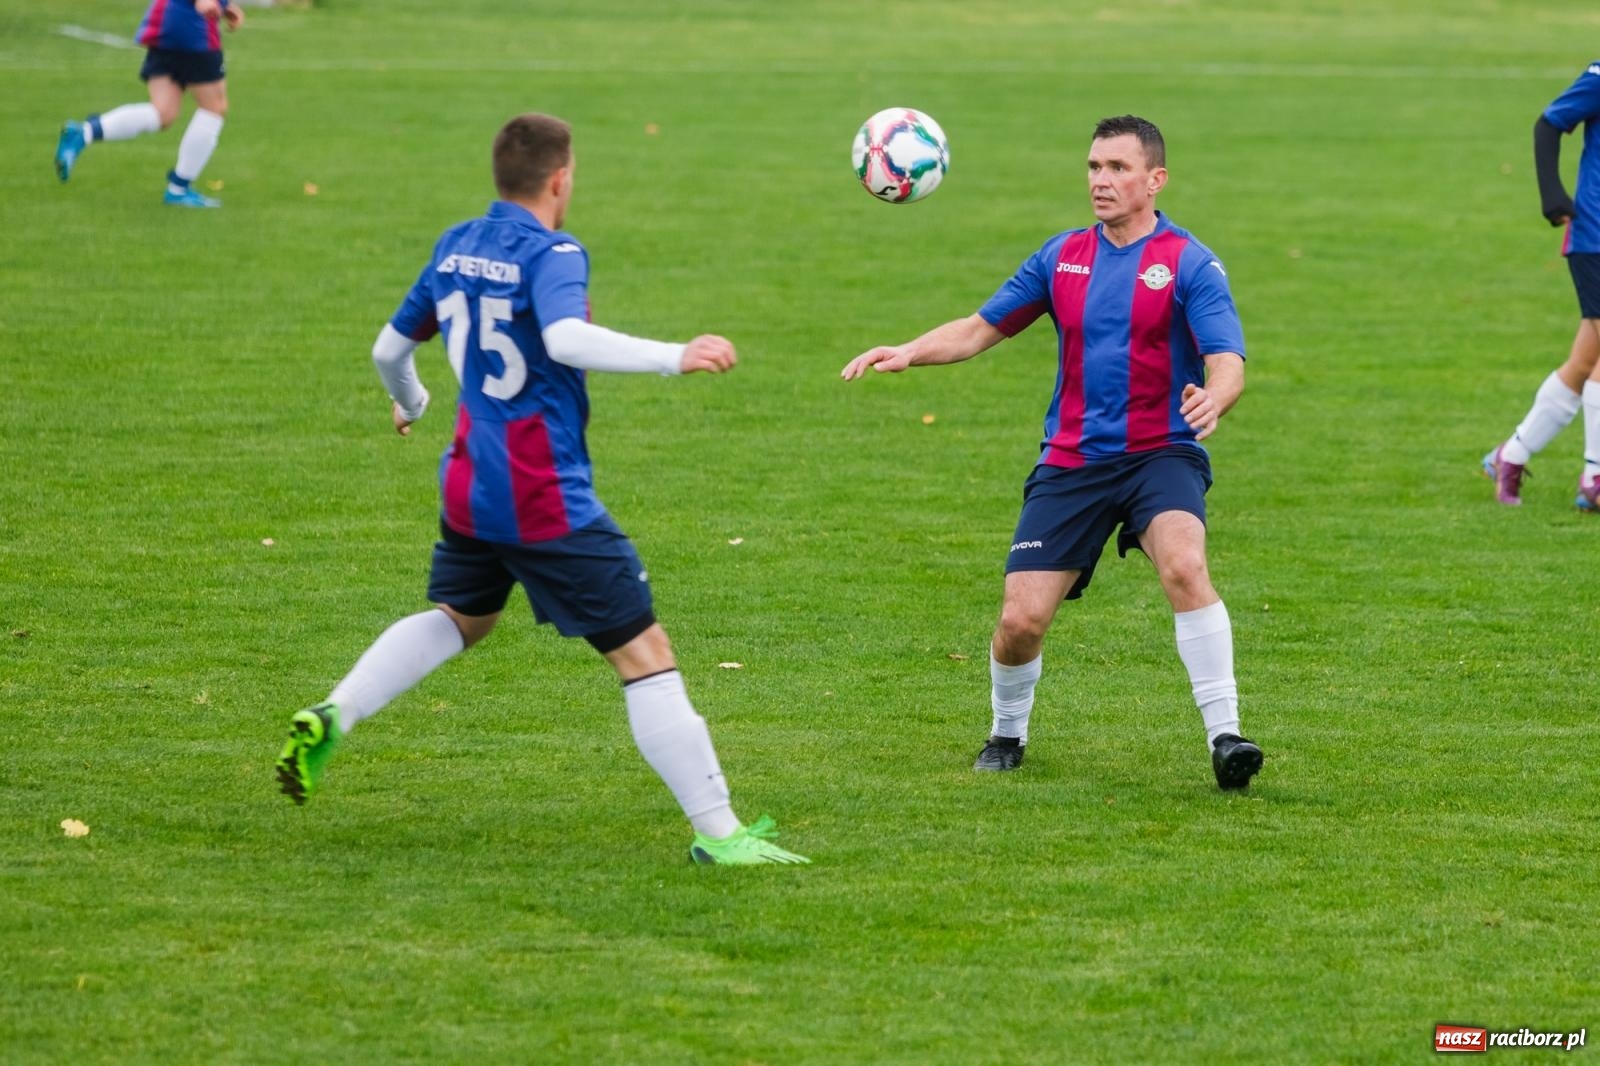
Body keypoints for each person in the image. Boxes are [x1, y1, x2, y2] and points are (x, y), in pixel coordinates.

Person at [273, 114, 808, 866]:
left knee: (462, 617)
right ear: (561, 179)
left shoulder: (456, 242)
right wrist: (673, 355)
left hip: (469, 480)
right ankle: (721, 836)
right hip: (539, 490)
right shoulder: (556, 251)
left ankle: (334, 713)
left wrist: (415, 400)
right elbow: (562, 339)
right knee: (644, 653)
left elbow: (390, 349)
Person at [841, 115, 1263, 791]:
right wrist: (911, 350)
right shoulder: (1062, 257)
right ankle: (1008, 733)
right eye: (1094, 167)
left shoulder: (1189, 262)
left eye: (1118, 169)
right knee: (1020, 620)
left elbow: (1228, 360)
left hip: (1161, 454)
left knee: (1185, 565)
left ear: (1155, 180)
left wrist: (1215, 398)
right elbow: (981, 329)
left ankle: (1227, 738)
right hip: (1072, 462)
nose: (1101, 181)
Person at [1483, 59, 1600, 509]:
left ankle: (1510, 455)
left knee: (1585, 358)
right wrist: (1553, 196)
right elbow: (1549, 124)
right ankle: (1594, 476)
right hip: (1595, 236)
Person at [54, 0, 242, 208]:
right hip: (192, 29)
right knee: (214, 107)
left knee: (163, 113)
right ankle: (179, 189)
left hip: (167, 22)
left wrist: (224, 6)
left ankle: (84, 133)